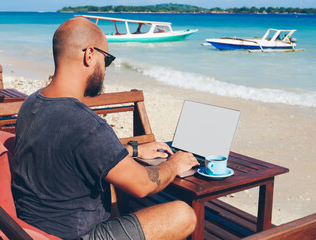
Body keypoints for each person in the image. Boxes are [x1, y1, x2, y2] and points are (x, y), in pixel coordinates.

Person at [12, 18, 199, 240]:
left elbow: (66, 152)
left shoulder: (32, 103)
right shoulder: (85, 124)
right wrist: (174, 163)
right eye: (106, 59)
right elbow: (143, 185)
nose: (105, 68)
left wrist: (133, 151)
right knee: (183, 214)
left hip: (34, 226)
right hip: (77, 234)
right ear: (89, 55)